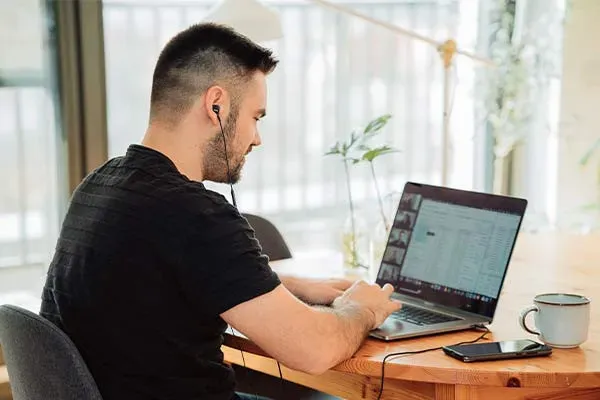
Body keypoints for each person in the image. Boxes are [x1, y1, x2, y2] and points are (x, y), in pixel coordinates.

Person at [40, 23, 400, 400]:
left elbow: (160, 284)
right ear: (217, 105)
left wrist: (290, 288)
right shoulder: (196, 215)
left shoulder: (100, 185)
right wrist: (362, 309)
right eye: (256, 117)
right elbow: (314, 351)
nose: (257, 138)